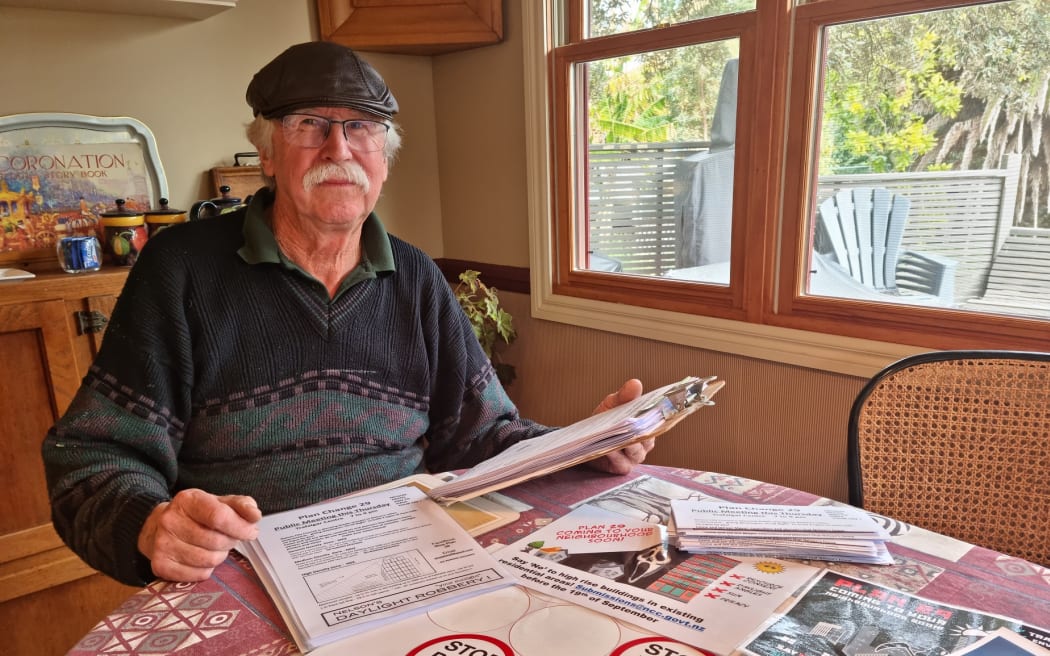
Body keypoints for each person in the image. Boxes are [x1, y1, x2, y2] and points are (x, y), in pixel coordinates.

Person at [41, 41, 654, 588]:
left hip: (411, 559)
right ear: (268, 155)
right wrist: (150, 525)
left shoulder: (416, 279)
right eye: (310, 125)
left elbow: (484, 435)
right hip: (246, 571)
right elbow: (94, 457)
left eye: (362, 128)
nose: (339, 147)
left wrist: (585, 445)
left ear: (383, 160)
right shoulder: (181, 271)